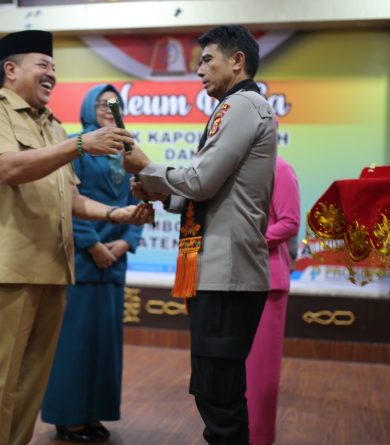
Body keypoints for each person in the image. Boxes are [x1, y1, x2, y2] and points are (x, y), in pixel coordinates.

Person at [0, 30, 153, 445]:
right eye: (42, 65)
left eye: (54, 67)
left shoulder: (51, 126)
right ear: (11, 70)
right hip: (9, 268)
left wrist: (117, 213)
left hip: (53, 269)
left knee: (30, 383)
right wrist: (79, 144)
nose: (51, 74)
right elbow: (10, 168)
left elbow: (71, 198)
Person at [125, 25, 277, 444]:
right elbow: (210, 191)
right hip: (220, 270)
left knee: (219, 394)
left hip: (227, 273)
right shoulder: (236, 105)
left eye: (208, 59)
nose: (199, 70)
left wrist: (146, 168)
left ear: (237, 61)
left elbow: (202, 181)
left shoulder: (242, 105)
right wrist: (162, 193)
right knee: (216, 388)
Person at [40, 84, 144, 443]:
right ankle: (68, 418)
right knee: (74, 342)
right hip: (81, 258)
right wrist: (92, 244)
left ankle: (93, 414)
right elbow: (68, 200)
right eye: (101, 103)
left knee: (104, 345)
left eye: (115, 104)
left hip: (114, 260)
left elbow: (140, 199)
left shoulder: (128, 150)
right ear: (88, 107)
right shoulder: (76, 146)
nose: (108, 109)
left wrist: (126, 242)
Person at [245, 155, 299, 445]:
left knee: (260, 370)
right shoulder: (234, 164)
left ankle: (259, 437)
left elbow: (290, 222)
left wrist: (247, 240)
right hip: (236, 277)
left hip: (268, 279)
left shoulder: (280, 168)